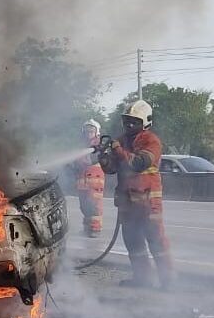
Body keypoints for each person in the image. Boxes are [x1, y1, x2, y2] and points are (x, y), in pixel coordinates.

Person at [98, 100, 173, 289]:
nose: (129, 125)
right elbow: (112, 169)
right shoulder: (122, 140)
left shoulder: (151, 141)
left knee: (157, 242)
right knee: (134, 243)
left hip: (148, 202)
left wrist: (117, 150)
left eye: (134, 121)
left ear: (145, 122)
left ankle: (169, 282)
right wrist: (104, 158)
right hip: (127, 203)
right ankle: (143, 279)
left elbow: (139, 163)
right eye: (127, 121)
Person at [73, 120, 107, 237]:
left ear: (97, 132)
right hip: (83, 182)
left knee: (94, 204)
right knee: (84, 205)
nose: (89, 134)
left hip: (94, 181)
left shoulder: (99, 145)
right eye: (87, 131)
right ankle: (87, 227)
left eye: (91, 131)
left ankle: (95, 229)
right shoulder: (81, 145)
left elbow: (91, 159)